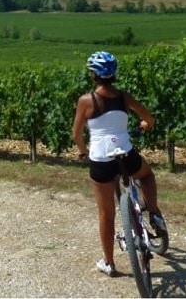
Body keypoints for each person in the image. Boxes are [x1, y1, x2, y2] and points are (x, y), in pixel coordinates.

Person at [72, 50, 166, 277]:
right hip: (125, 154)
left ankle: (109, 263)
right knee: (145, 175)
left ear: (93, 75)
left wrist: (83, 152)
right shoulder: (124, 97)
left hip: (101, 160)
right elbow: (149, 118)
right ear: (113, 74)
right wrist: (145, 125)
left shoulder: (86, 101)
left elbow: (76, 134)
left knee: (106, 214)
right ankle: (153, 213)